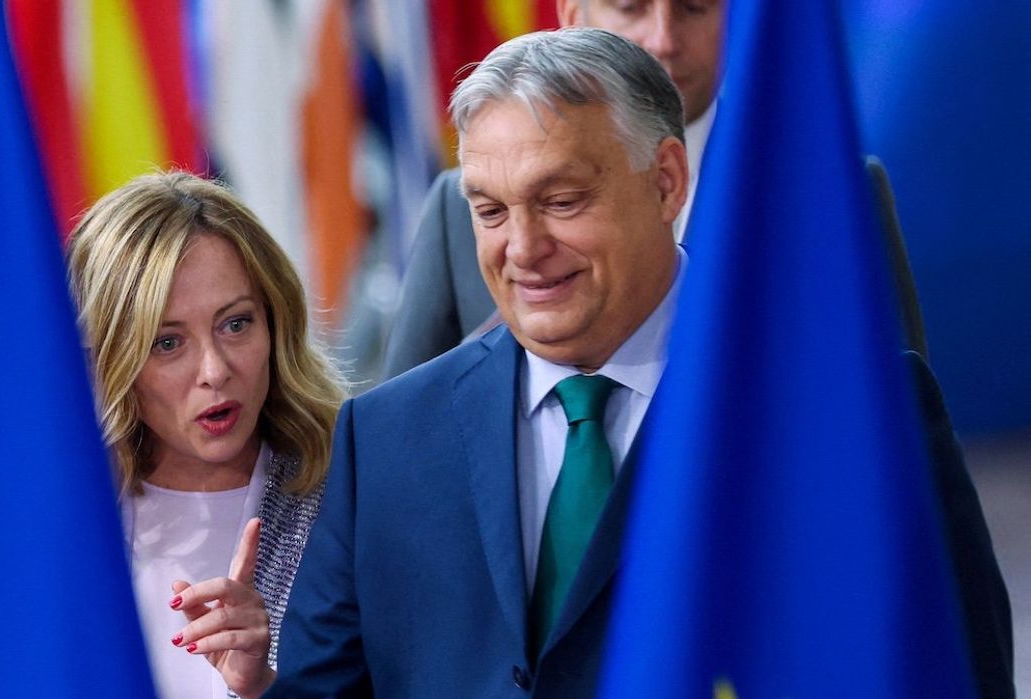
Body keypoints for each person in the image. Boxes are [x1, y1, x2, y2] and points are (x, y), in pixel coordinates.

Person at [269, 28, 1011, 697]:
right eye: (489, 211)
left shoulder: (855, 413)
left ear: (665, 181)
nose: (521, 248)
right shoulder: (386, 436)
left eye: (560, 200)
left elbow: (955, 671)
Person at [66, 172, 346, 698]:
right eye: (168, 342)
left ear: (276, 322)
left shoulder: (354, 497)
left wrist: (263, 688)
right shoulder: (59, 519)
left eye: (235, 324)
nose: (214, 370)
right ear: (111, 359)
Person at [381, 0, 723, 379]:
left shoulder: (790, 195)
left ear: (665, 180)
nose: (663, 40)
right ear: (574, 17)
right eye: (629, 8)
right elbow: (411, 411)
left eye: (695, 7)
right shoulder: (456, 205)